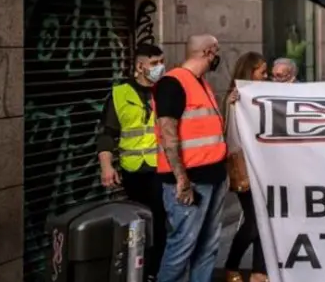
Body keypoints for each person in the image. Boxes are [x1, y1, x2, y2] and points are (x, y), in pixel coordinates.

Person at [154, 34, 228, 282]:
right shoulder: (172, 83)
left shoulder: (201, 84)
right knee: (182, 247)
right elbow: (168, 134)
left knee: (208, 246)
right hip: (191, 181)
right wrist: (182, 180)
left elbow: (207, 129)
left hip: (214, 176)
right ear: (208, 52)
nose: (218, 57)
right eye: (217, 51)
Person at [96, 43, 167, 281]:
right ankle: (139, 270)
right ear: (140, 66)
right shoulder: (120, 94)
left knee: (159, 221)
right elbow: (107, 134)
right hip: (133, 171)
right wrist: (106, 166)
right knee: (138, 224)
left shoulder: (165, 90)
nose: (160, 68)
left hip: (160, 168)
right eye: (154, 63)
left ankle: (155, 272)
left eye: (162, 62)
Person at [224, 52, 269, 282]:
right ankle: (231, 266)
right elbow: (232, 137)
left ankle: (258, 271)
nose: (266, 76)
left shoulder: (259, 94)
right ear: (250, 72)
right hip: (245, 168)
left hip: (263, 169)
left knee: (263, 221)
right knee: (254, 223)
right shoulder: (236, 98)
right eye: (263, 71)